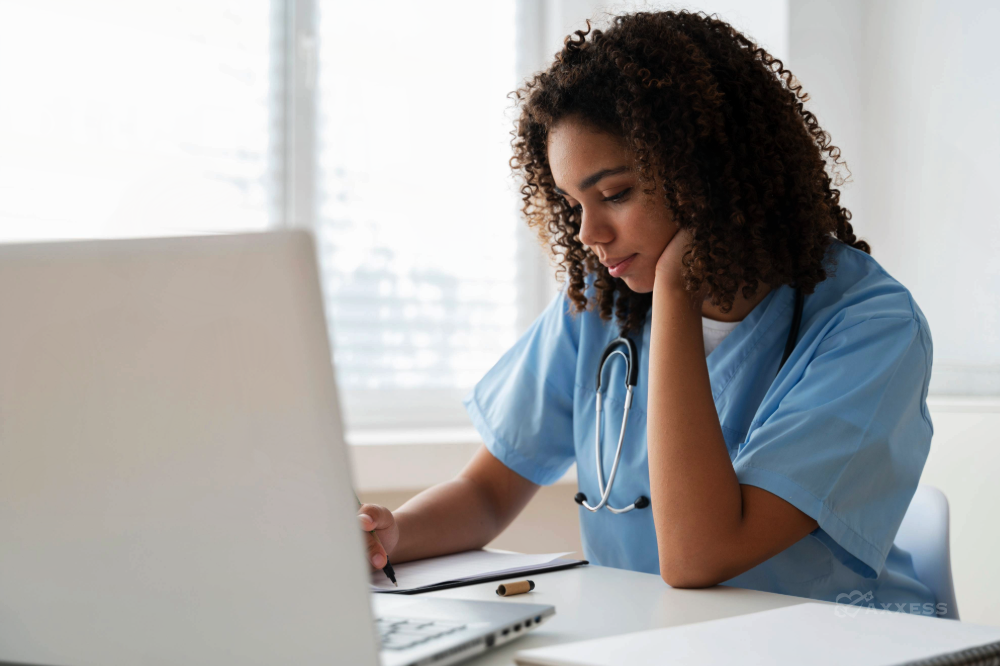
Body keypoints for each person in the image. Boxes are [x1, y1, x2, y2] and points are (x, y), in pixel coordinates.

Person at [357, 10, 935, 609]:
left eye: (615, 194)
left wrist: (678, 292)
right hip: (656, 640)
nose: (587, 232)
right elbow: (486, 493)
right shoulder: (600, 302)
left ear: (708, 172)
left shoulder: (871, 330)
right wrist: (392, 536)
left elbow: (697, 556)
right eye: (573, 202)